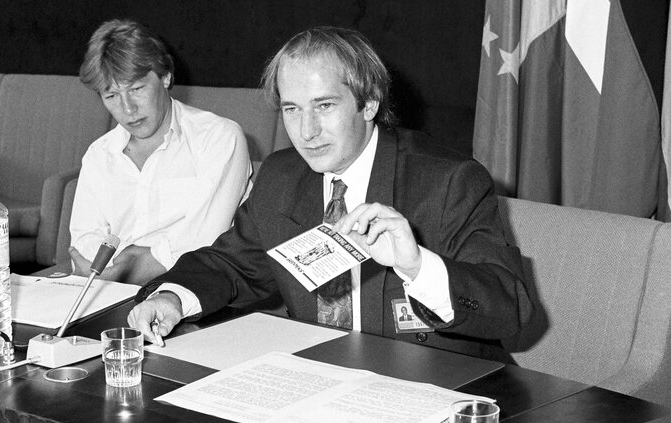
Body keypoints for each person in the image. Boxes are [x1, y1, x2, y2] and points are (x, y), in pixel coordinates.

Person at [128, 26, 533, 361]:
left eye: (323, 106)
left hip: (438, 389)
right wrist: (171, 299)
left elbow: (509, 307)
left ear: (370, 102)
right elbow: (231, 264)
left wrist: (417, 266)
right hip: (317, 385)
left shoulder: (449, 181)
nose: (307, 132)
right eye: (292, 109)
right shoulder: (281, 178)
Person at [68, 19, 252, 285]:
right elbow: (83, 243)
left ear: (165, 77)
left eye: (136, 89)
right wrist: (129, 263)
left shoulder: (219, 138)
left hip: (196, 293)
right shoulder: (99, 154)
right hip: (109, 293)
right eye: (111, 96)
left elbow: (203, 244)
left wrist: (126, 265)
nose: (127, 108)